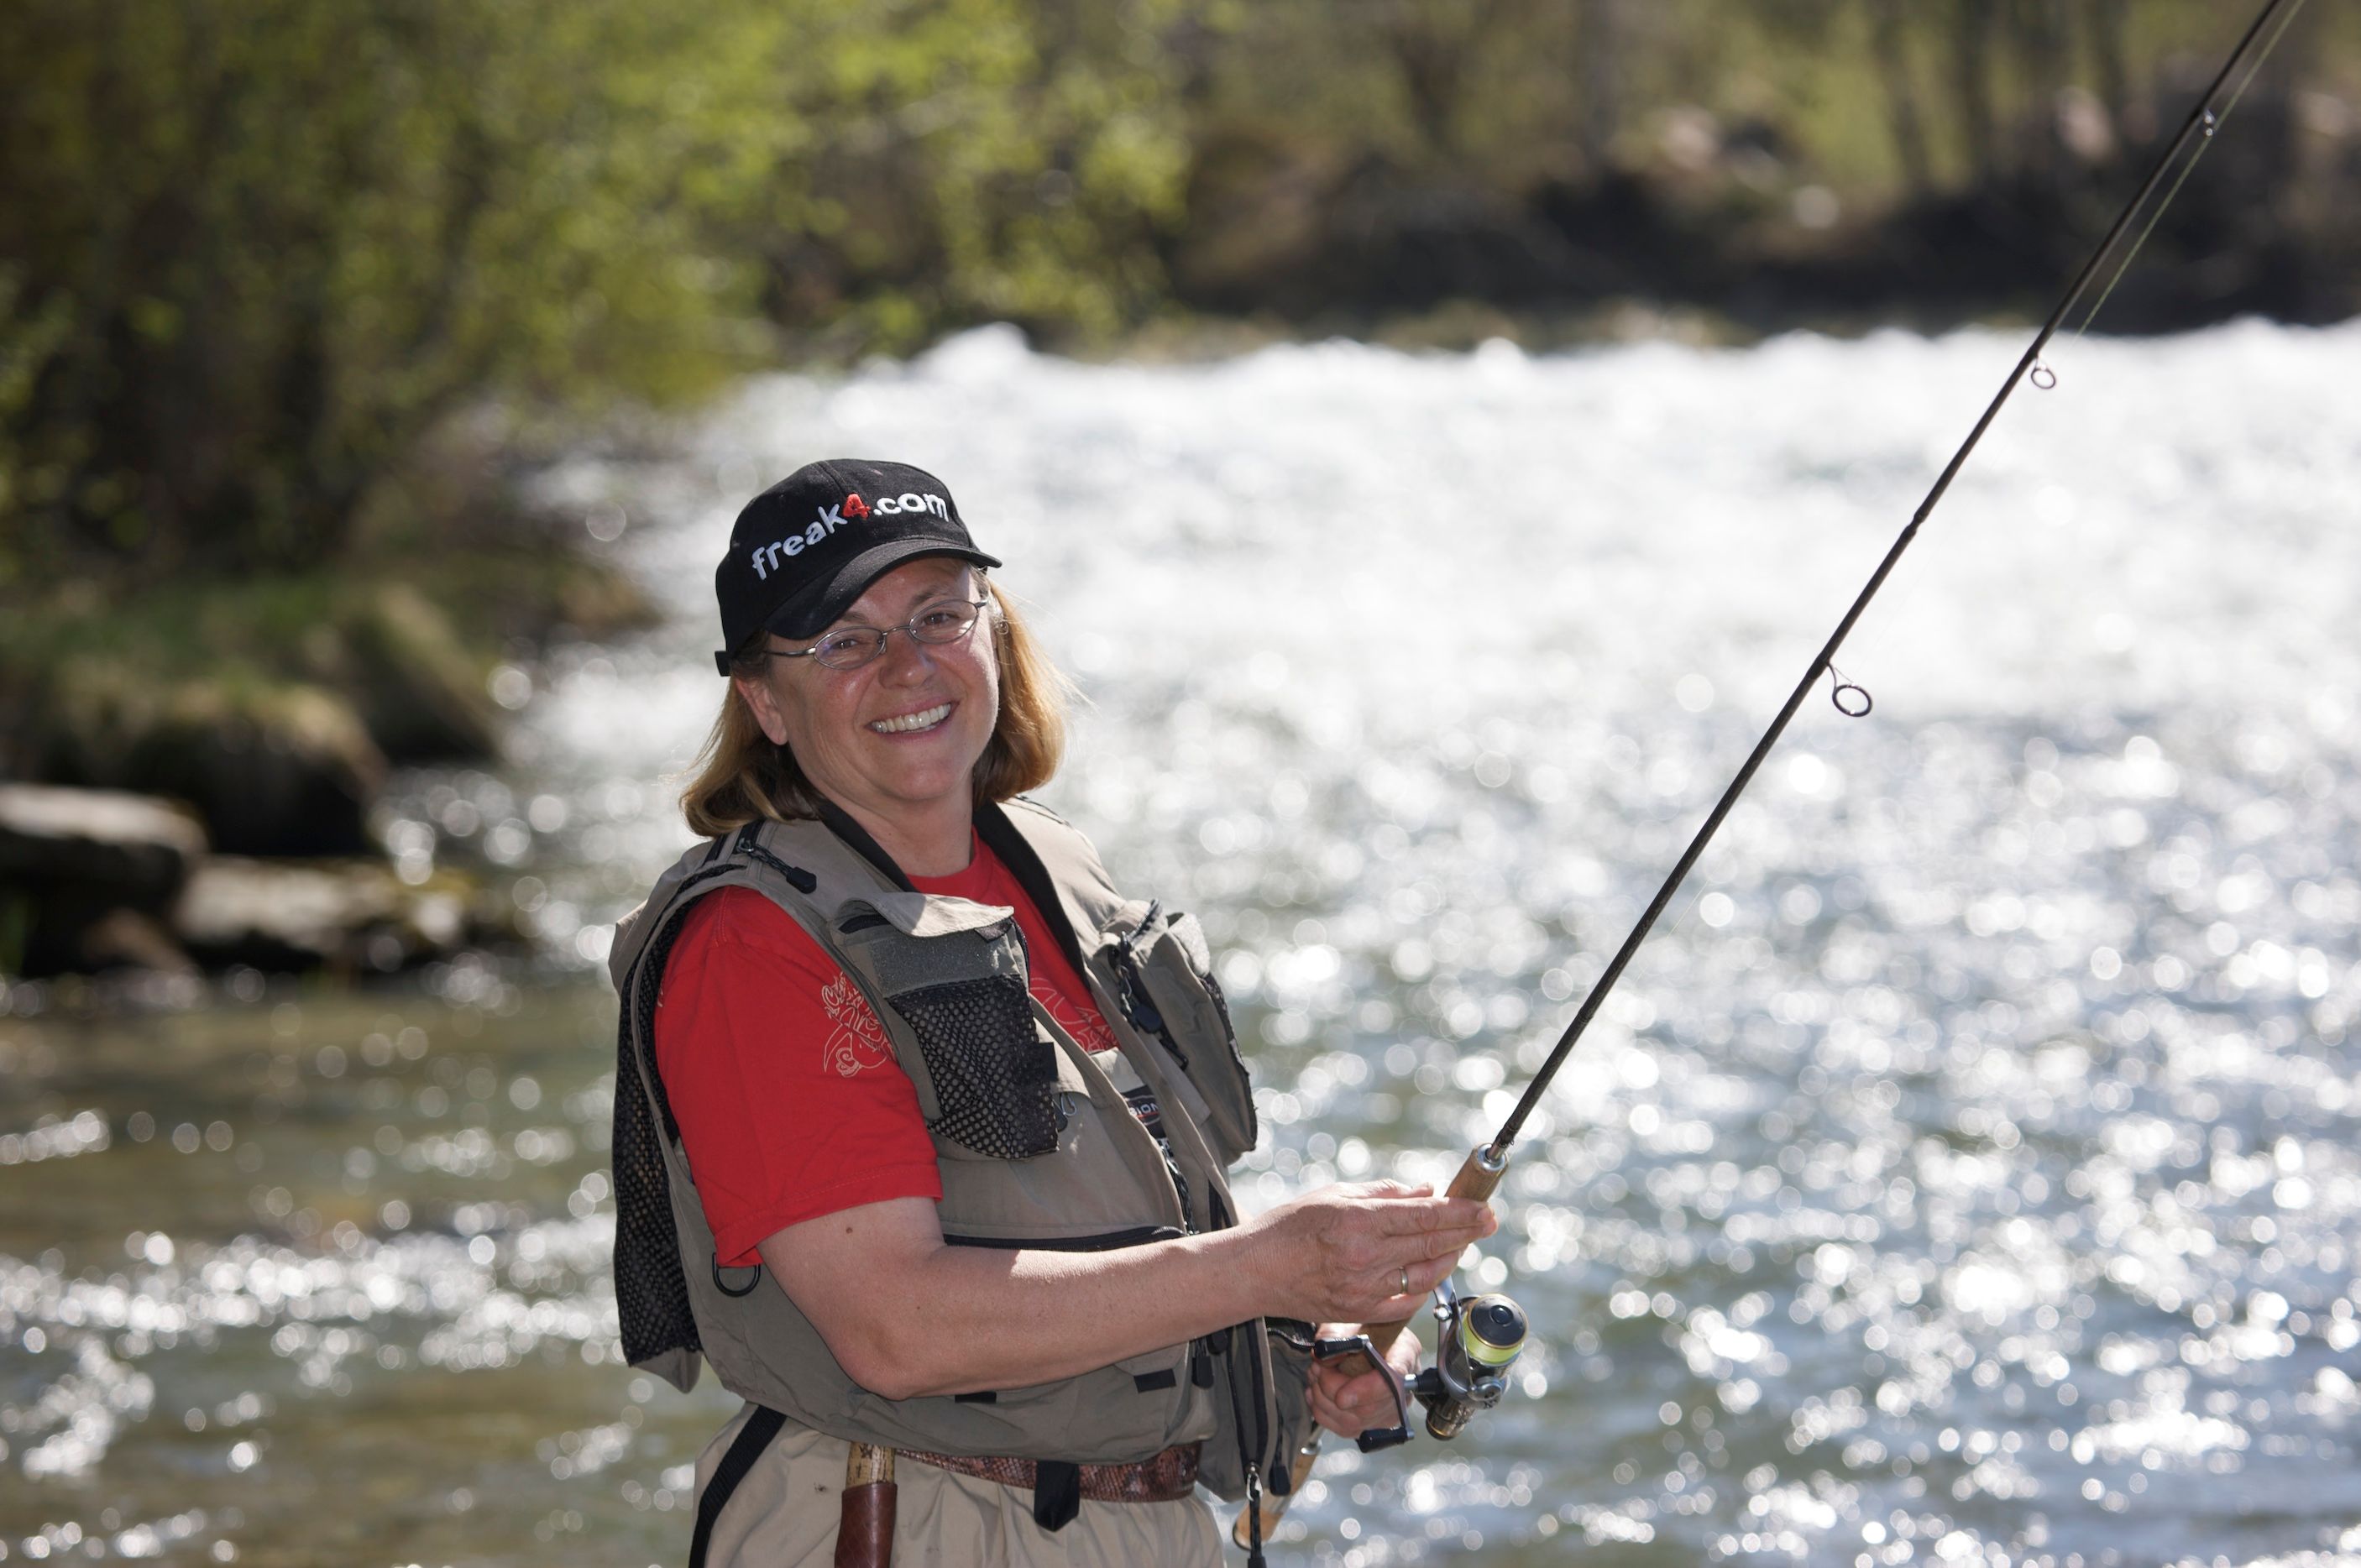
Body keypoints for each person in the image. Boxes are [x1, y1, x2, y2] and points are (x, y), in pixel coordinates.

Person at [606, 458, 1495, 1566]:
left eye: (938, 615)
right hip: (900, 1525)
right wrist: (1267, 1265)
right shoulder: (752, 947)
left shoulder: (1049, 864)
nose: (906, 666)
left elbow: (1109, 1237)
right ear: (764, 702)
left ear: (993, 633)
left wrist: (1284, 1337)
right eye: (843, 639)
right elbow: (894, 1329)